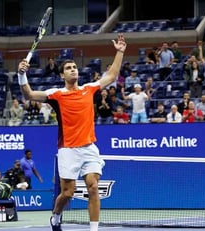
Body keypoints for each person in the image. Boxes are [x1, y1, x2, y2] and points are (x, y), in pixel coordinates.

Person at [16, 33, 126, 231]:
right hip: (68, 150)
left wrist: (119, 52)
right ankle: (56, 217)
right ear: (62, 75)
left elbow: (111, 76)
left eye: (74, 67)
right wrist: (21, 74)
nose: (73, 69)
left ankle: (94, 229)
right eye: (68, 68)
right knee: (67, 193)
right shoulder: (56, 95)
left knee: (93, 187)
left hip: (89, 148)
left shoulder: (89, 89)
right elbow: (29, 94)